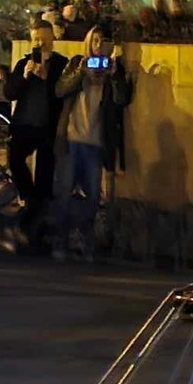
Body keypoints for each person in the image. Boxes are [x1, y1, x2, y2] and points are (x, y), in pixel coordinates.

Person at [52, 28, 133, 261]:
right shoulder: (77, 63)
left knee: (93, 196)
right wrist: (81, 73)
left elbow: (122, 100)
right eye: (95, 40)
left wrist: (114, 76)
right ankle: (61, 240)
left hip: (96, 142)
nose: (98, 45)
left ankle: (85, 241)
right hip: (71, 138)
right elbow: (60, 90)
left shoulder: (113, 70)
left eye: (102, 41)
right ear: (88, 42)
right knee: (64, 192)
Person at [3, 20, 68, 243]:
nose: (40, 43)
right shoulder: (25, 63)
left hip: (47, 127)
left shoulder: (60, 64)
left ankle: (38, 225)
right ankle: (31, 202)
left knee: (44, 173)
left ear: (52, 39)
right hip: (24, 125)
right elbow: (9, 92)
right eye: (36, 39)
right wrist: (24, 76)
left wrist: (46, 78)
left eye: (44, 39)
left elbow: (62, 93)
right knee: (15, 159)